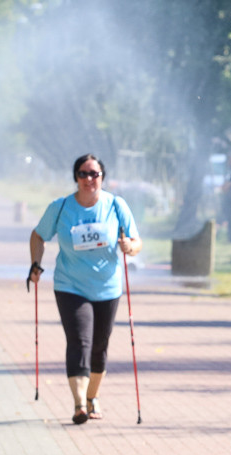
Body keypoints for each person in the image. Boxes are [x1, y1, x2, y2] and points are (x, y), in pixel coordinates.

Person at [27, 154, 142, 425]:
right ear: (75, 177)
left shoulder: (115, 205)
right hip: (70, 285)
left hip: (107, 288)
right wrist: (36, 264)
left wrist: (130, 247)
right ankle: (79, 403)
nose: (89, 179)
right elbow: (38, 235)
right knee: (80, 340)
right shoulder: (62, 206)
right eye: (83, 174)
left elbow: (136, 241)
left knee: (100, 346)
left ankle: (92, 397)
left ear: (103, 176)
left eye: (94, 174)